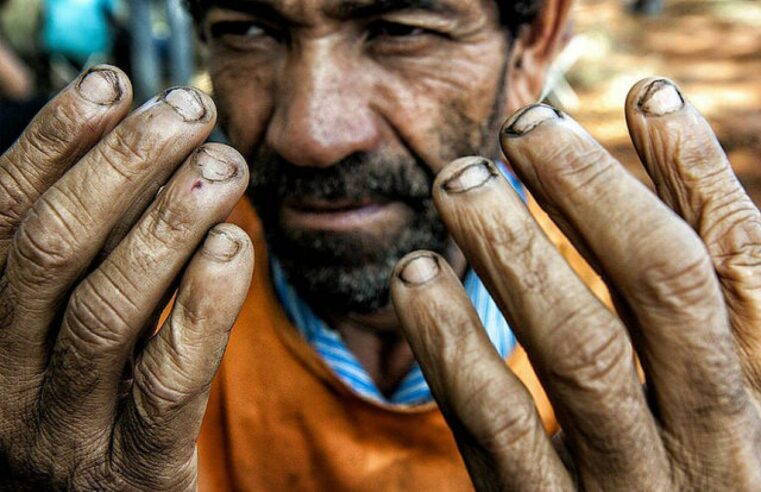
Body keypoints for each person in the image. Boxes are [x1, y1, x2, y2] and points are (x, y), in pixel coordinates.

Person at [0, 0, 759, 490]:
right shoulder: (93, 343)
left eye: (400, 30)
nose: (310, 135)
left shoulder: (689, 368)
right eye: (249, 31)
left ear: (534, 40)